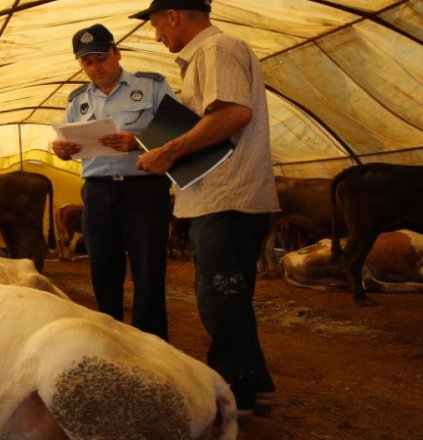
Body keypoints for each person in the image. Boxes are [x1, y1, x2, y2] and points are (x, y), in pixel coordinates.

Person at [130, 0, 281, 416]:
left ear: (173, 16)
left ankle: (234, 394)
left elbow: (233, 113)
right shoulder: (209, 55)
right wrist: (157, 143)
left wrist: (168, 151)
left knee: (219, 297)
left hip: (226, 195)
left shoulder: (216, 50)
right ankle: (256, 383)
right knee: (230, 295)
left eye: (157, 26)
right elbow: (214, 116)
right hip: (221, 195)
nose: (156, 35)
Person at [51, 23, 175, 341]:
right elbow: (70, 141)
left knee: (148, 271)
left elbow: (179, 129)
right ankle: (112, 343)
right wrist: (62, 151)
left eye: (100, 58)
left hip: (144, 190)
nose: (96, 67)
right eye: (87, 62)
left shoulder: (151, 86)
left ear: (116, 53)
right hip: (97, 192)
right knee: (103, 271)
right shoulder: (76, 99)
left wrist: (140, 141)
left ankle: (152, 347)